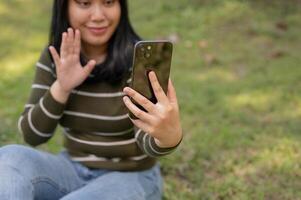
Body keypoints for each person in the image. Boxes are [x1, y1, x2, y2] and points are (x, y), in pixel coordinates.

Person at [0, 0, 182, 199]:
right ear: (64, 8)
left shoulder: (140, 61)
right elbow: (32, 136)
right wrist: (61, 87)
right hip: (71, 170)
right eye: (85, 3)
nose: (98, 15)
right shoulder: (57, 56)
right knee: (10, 158)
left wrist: (168, 136)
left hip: (130, 177)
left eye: (109, 2)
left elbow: (146, 138)